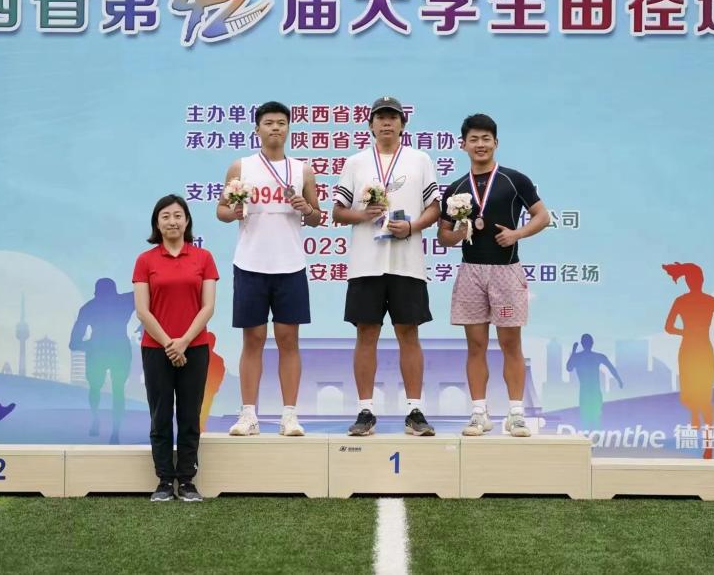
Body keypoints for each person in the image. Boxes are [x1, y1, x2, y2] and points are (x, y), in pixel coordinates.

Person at [333, 96, 441, 436]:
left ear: (402, 124)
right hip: (366, 264)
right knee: (366, 333)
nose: (386, 123)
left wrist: (412, 226)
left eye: (393, 117)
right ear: (370, 125)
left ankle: (414, 411)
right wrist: (362, 215)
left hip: (408, 263)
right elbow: (338, 212)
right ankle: (365, 410)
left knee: (409, 333)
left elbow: (434, 207)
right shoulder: (355, 162)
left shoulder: (419, 159)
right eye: (380, 118)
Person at [438, 113, 551, 437]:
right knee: (475, 345)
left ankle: (516, 414)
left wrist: (517, 234)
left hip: (506, 272)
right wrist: (459, 233)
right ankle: (479, 413)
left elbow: (542, 216)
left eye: (486, 139)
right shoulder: (456, 188)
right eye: (473, 139)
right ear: (463, 145)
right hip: (471, 272)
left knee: (510, 343)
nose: (480, 144)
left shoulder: (515, 180)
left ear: (496, 143)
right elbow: (443, 236)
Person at [217, 101, 321, 437]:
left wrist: (306, 208)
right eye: (269, 123)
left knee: (289, 339)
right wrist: (233, 212)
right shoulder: (241, 167)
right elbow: (221, 210)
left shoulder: (302, 170)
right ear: (257, 129)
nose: (275, 128)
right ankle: (248, 414)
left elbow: (317, 217)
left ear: (288, 129)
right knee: (253, 339)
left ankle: (289, 415)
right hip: (250, 263)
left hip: (290, 264)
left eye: (281, 123)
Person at [133, 194, 217, 501]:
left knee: (190, 415)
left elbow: (208, 307)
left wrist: (184, 342)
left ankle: (187, 480)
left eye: (178, 215)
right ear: (157, 223)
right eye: (165, 216)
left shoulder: (203, 258)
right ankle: (165, 481)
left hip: (195, 347)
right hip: (156, 348)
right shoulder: (145, 261)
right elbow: (142, 311)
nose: (172, 221)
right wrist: (170, 344)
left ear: (187, 221)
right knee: (160, 414)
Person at [662, 262, 714, 460]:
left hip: (695, 350)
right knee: (694, 397)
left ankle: (708, 444)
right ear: (700, 281)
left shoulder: (689, 301)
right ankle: (697, 417)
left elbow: (669, 327)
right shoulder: (701, 301)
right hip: (697, 350)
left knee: (703, 398)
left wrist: (685, 332)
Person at [69, 278, 136, 444]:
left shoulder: (89, 308)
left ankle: (99, 421)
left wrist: (89, 345)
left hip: (99, 352)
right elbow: (149, 293)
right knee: (117, 391)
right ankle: (114, 431)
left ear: (96, 293)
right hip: (117, 350)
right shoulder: (126, 301)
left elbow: (74, 343)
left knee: (97, 389)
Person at [565, 333, 623, 430]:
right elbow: (569, 368)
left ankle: (595, 435)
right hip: (587, 392)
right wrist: (573, 352)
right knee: (588, 417)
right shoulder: (581, 357)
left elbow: (611, 368)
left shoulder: (595, 356)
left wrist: (619, 380)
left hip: (593, 391)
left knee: (594, 417)